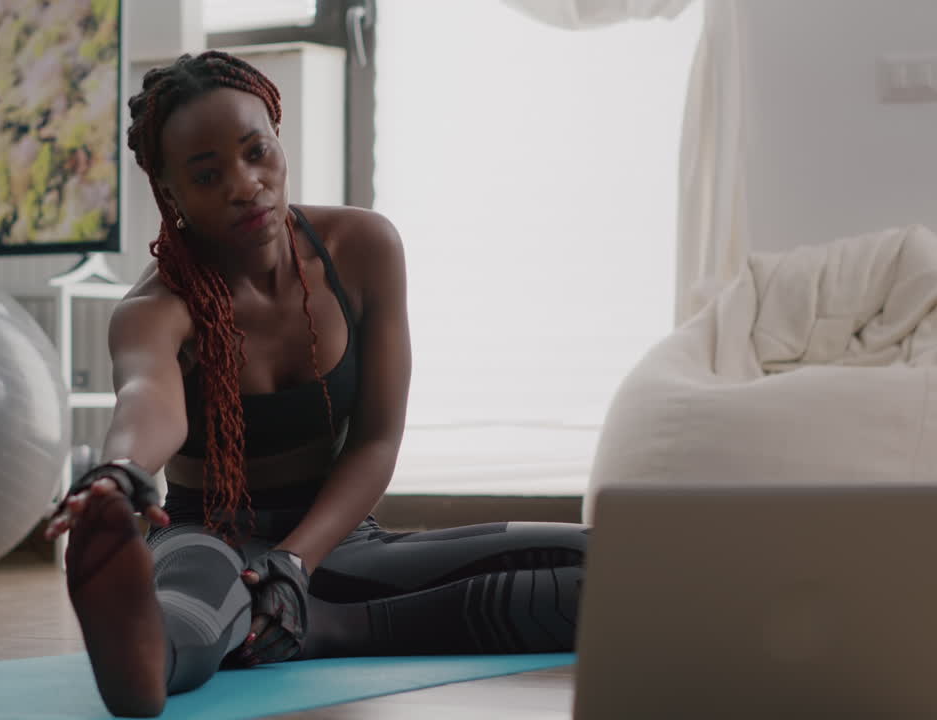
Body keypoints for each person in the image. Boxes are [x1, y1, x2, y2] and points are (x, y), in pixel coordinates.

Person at [43, 50, 588, 718]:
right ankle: (144, 656)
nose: (245, 185)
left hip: (338, 539)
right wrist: (119, 472)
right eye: (208, 174)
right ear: (169, 192)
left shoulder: (363, 247)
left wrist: (296, 563)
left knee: (609, 566)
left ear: (277, 138)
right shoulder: (155, 308)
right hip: (211, 537)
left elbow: (377, 440)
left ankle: (321, 630)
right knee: (190, 615)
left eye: (256, 152)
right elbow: (148, 399)